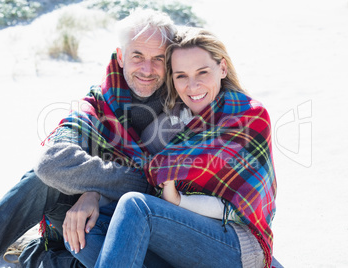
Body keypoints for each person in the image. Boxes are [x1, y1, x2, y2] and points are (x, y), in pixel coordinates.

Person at [0, 9, 176, 268]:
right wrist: (95, 190)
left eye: (158, 58)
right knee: (40, 181)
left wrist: (97, 193)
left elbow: (169, 189)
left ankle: (43, 258)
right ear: (122, 56)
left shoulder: (182, 106)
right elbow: (52, 163)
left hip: (146, 222)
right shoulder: (96, 105)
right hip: (80, 217)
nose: (148, 69)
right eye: (138, 56)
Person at [86, 27, 277, 268]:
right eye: (181, 76)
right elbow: (135, 167)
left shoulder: (249, 116)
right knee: (89, 228)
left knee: (135, 206)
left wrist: (178, 201)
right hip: (179, 237)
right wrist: (91, 195)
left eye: (202, 72)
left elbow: (238, 209)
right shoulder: (172, 123)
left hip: (236, 244)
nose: (192, 85)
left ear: (223, 68)